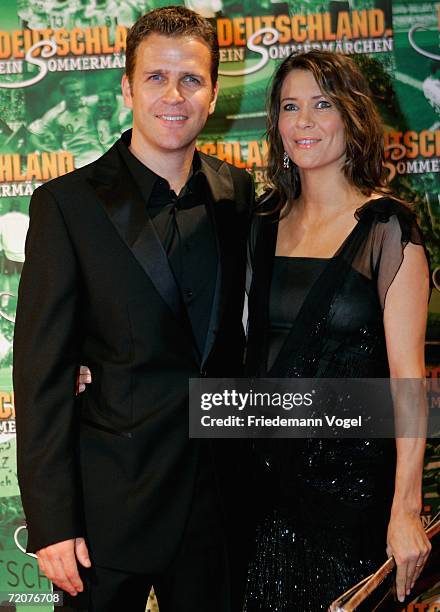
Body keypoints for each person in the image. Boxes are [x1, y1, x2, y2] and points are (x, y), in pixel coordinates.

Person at [13, 6, 253, 612]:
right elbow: (40, 376)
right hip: (105, 513)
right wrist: (51, 522)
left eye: (191, 79)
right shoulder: (65, 205)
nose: (174, 95)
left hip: (215, 506)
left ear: (213, 93)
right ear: (125, 87)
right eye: (156, 77)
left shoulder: (239, 195)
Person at [243, 50, 431, 610]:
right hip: (259, 488)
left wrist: (406, 507)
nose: (303, 122)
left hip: (351, 495)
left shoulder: (387, 228)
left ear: (351, 115)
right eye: (289, 107)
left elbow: (408, 380)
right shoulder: (258, 224)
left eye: (321, 104)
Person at [28, 77, 104, 168]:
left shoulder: (90, 103)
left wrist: (115, 118)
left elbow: (118, 98)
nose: (76, 95)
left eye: (78, 91)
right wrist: (44, 150)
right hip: (75, 163)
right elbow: (32, 134)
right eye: (72, 92)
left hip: (98, 156)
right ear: (63, 94)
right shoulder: (54, 114)